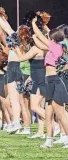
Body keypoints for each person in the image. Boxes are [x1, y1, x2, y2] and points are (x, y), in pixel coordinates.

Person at [31, 17, 68, 148]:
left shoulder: (56, 46)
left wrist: (33, 24)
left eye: (49, 36)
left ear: (53, 38)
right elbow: (41, 43)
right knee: (48, 113)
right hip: (49, 81)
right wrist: (34, 38)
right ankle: (49, 140)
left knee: (60, 114)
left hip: (55, 81)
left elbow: (42, 37)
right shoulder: (54, 47)